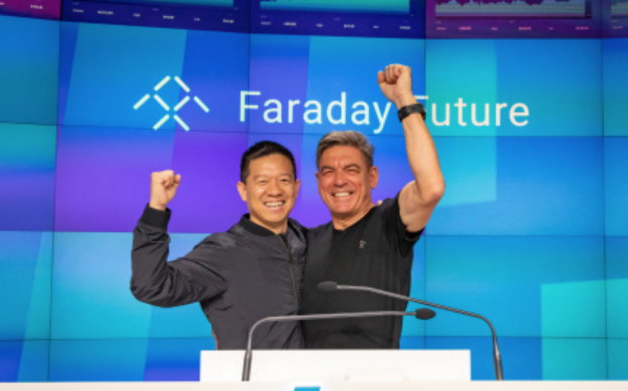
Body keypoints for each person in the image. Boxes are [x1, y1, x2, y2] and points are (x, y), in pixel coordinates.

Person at [300, 64, 445, 349]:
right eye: (328, 172)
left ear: (372, 177)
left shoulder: (389, 222)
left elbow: (431, 188)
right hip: (309, 375)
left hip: (377, 375)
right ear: (318, 181)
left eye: (351, 170)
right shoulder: (305, 241)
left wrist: (404, 101)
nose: (339, 180)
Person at [131, 141, 307, 350]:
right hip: (247, 371)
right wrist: (156, 209)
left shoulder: (311, 241)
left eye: (284, 180)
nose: (275, 190)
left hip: (319, 371)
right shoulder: (222, 251)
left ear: (296, 188)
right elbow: (152, 287)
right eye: (262, 181)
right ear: (243, 190)